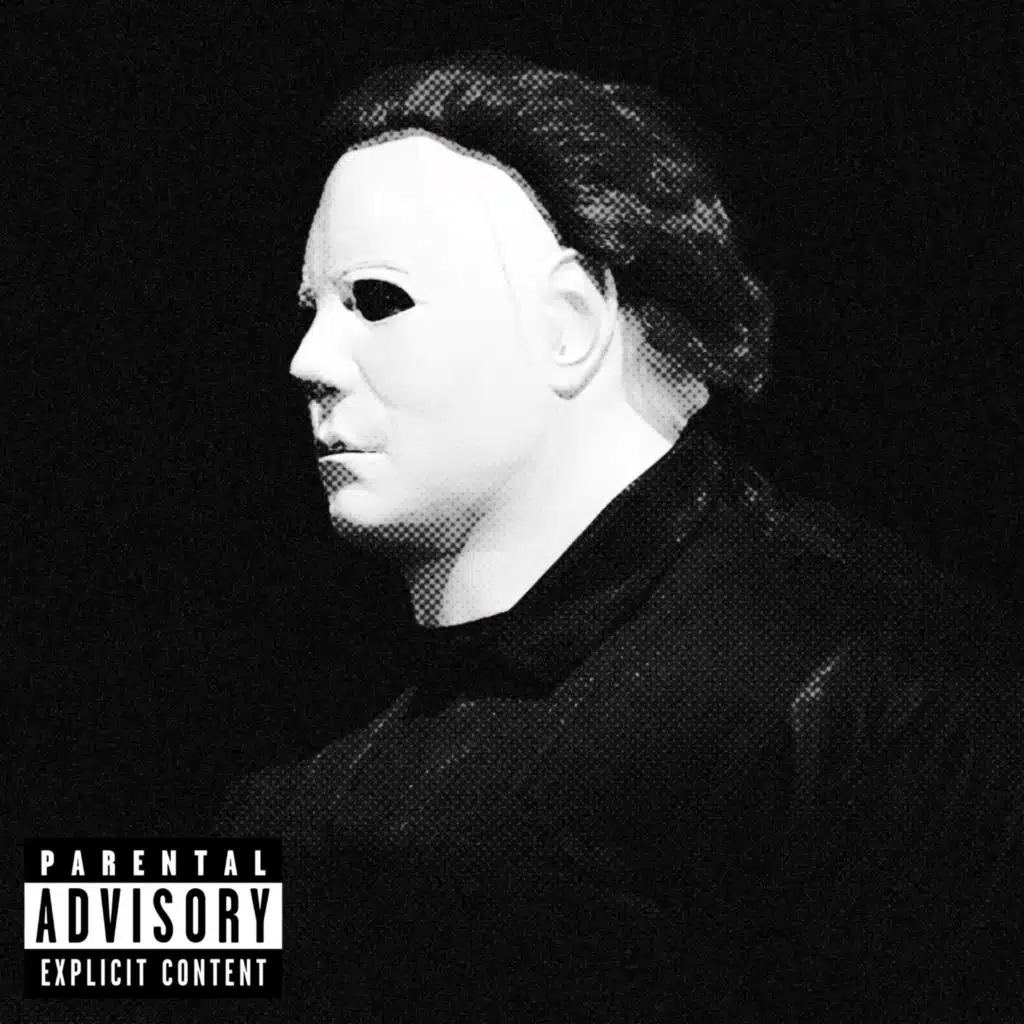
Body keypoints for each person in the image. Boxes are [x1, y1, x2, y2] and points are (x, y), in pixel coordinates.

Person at [211, 51, 1021, 1021]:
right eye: (312, 310)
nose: (309, 360)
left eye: (377, 299)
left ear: (570, 322)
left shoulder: (879, 693)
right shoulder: (303, 737)